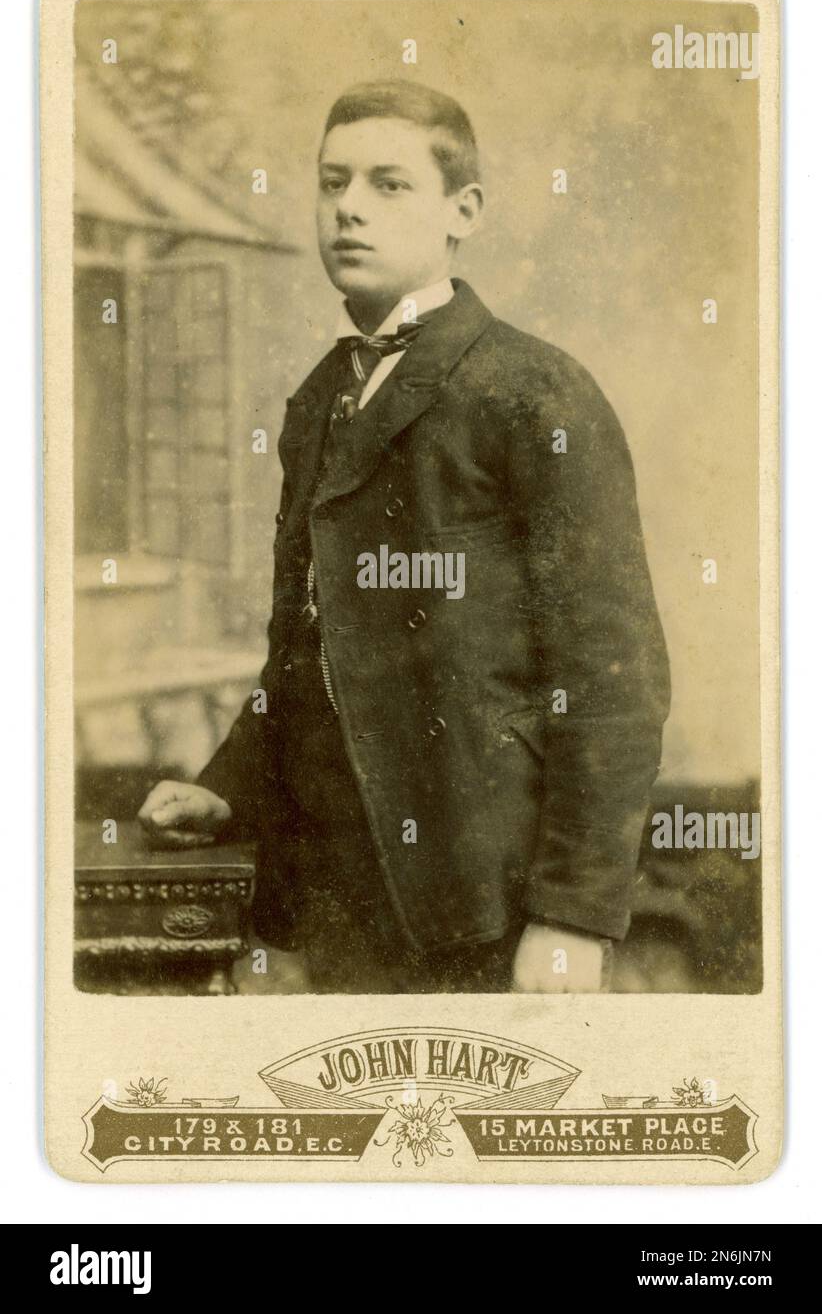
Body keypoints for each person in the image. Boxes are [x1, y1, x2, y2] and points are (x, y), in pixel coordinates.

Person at [138, 79, 671, 994]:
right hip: (340, 887)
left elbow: (613, 674)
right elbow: (305, 649)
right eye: (332, 182)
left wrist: (573, 915)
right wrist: (232, 781)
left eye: (388, 185)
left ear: (463, 211)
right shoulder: (319, 401)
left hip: (488, 891)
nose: (348, 208)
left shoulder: (534, 392)